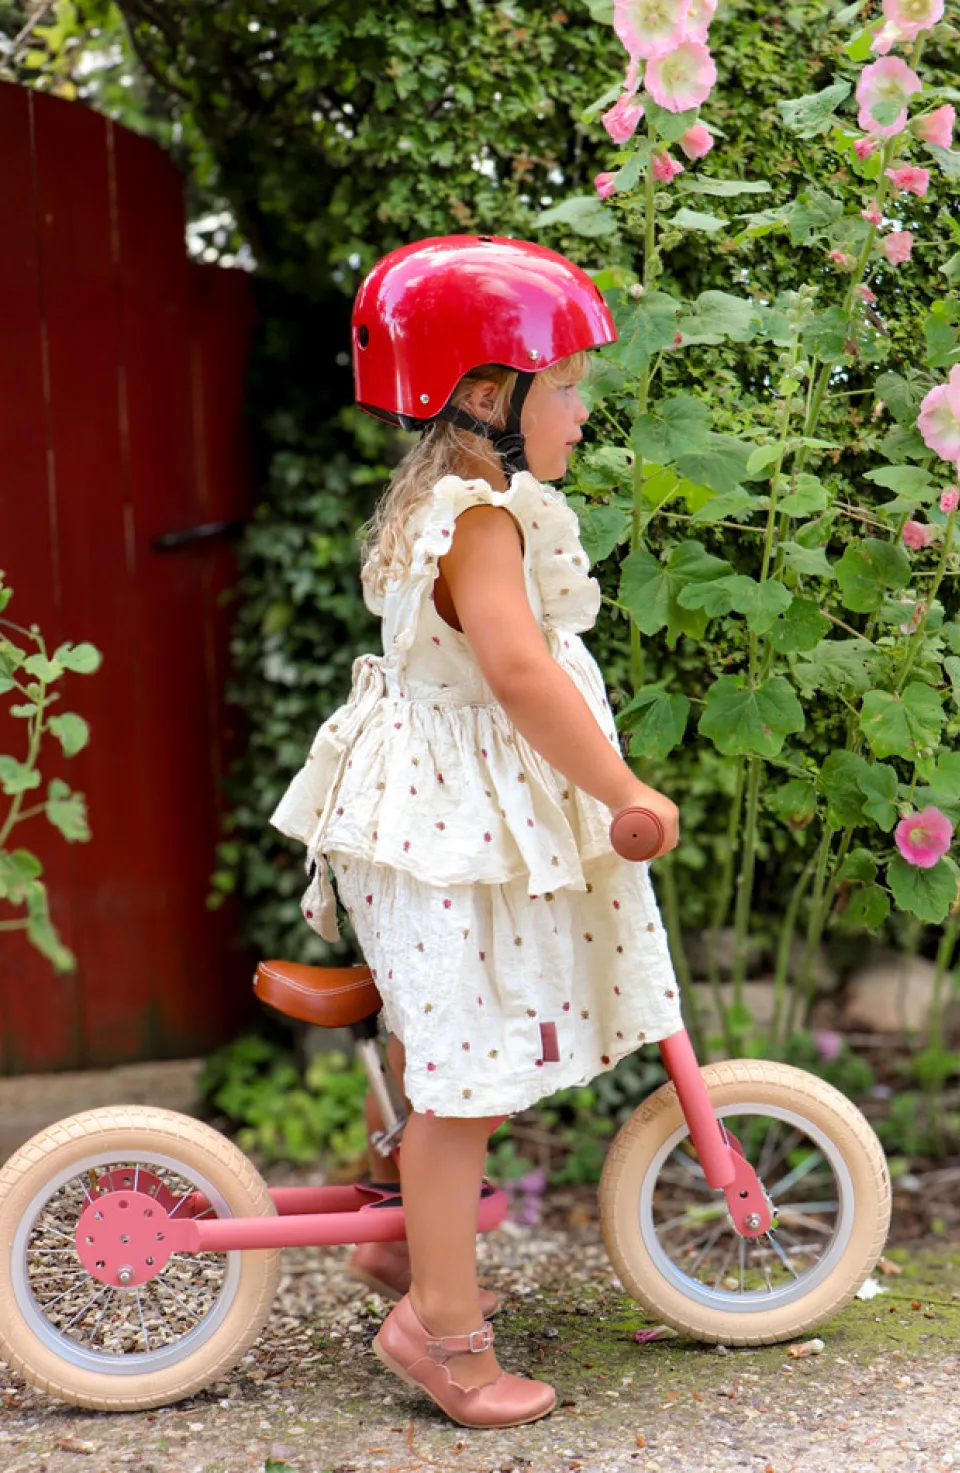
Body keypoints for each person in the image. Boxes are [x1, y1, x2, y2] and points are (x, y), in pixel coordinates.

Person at [271, 234, 682, 1429]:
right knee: (462, 1077)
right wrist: (619, 791)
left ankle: (402, 1245)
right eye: (564, 385)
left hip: (416, 817)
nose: (582, 409)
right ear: (490, 395)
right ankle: (444, 1332)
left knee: (430, 1031)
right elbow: (515, 669)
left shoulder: (435, 506)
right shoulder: (481, 518)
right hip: (444, 823)